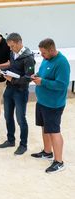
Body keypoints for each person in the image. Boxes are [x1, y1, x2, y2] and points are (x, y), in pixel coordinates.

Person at [30, 38, 70, 173]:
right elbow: (43, 74)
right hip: (42, 102)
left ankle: (59, 162)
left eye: (44, 53)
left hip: (53, 104)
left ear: (52, 50)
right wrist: (37, 76)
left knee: (54, 131)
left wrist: (43, 82)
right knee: (45, 128)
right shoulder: (47, 59)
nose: (42, 56)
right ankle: (47, 152)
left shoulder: (62, 63)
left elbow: (62, 85)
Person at [0, 33, 35, 155]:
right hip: (9, 89)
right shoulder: (12, 53)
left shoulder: (28, 57)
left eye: (12, 46)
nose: (11, 49)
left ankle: (23, 145)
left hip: (21, 91)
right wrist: (2, 72)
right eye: (10, 47)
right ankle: (10, 140)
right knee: (8, 116)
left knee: (20, 119)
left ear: (19, 42)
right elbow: (12, 70)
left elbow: (29, 78)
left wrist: (12, 80)